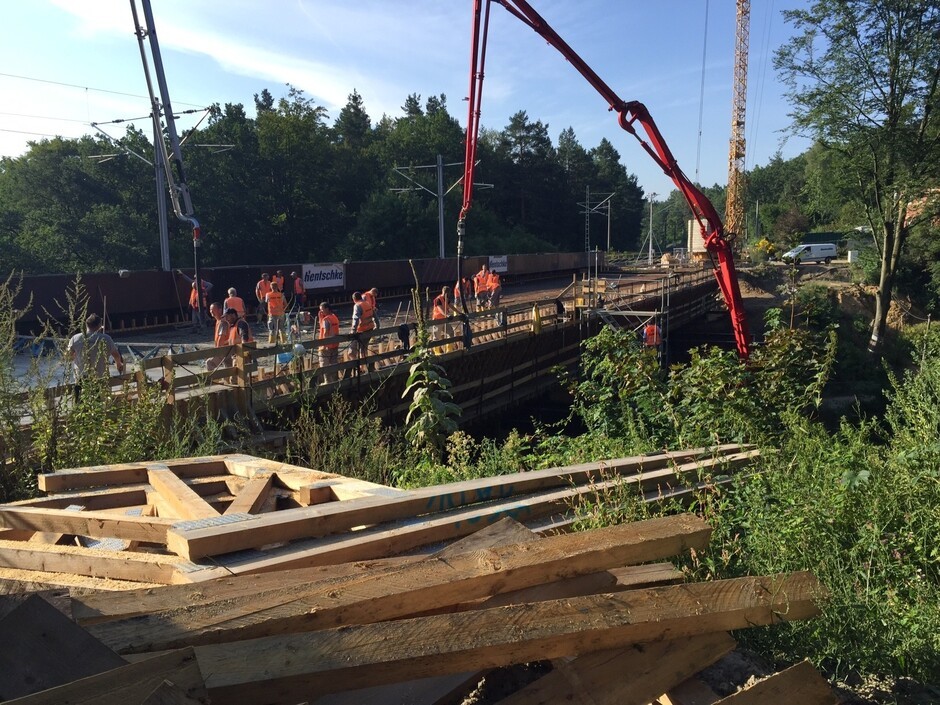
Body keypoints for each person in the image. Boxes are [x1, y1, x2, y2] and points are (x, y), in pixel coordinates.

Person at [67, 313, 124, 398]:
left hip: (80, 378)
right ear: (99, 325)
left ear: (86, 325)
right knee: (98, 402)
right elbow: (116, 355)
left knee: (80, 403)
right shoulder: (106, 338)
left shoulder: (75, 338)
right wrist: (119, 364)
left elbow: (68, 357)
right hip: (99, 377)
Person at [349, 291, 376, 373]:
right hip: (369, 329)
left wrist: (353, 331)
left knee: (351, 352)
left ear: (354, 299)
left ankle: (358, 368)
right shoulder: (367, 304)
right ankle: (362, 368)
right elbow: (375, 316)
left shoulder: (357, 305)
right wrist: (377, 327)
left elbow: (355, 319)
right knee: (363, 350)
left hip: (361, 331)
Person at [317, 301, 340, 383]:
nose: (321, 312)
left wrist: (323, 344)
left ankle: (327, 382)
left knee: (324, 365)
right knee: (334, 364)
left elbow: (326, 331)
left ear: (327, 309)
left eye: (322, 310)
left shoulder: (326, 319)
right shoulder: (334, 317)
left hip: (326, 347)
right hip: (335, 345)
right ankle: (335, 381)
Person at [207, 303, 231, 370]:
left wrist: (217, 351)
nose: (211, 311)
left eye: (213, 309)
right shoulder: (218, 321)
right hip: (227, 349)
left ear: (220, 310)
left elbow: (221, 338)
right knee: (229, 369)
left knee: (209, 363)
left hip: (224, 350)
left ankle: (213, 380)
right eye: (210, 309)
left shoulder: (223, 322)